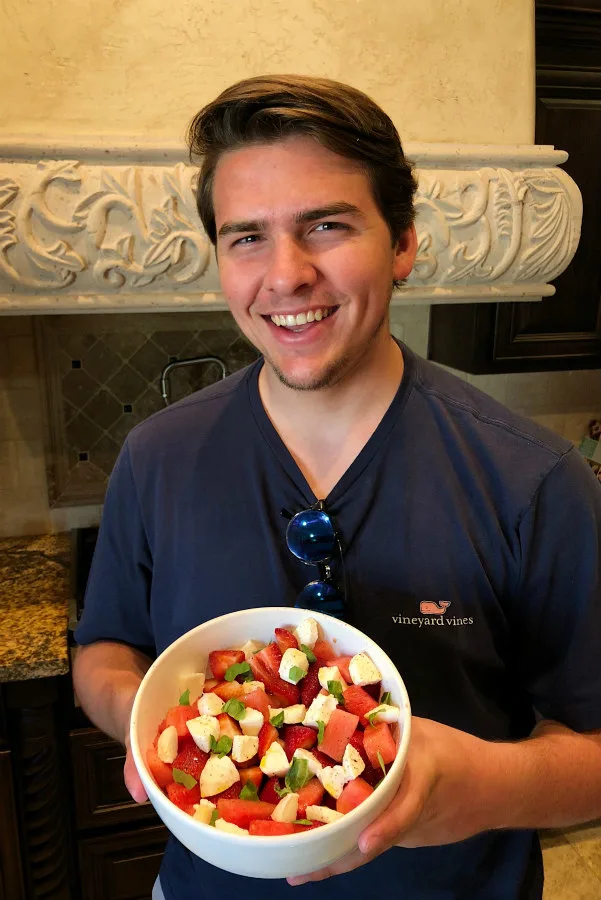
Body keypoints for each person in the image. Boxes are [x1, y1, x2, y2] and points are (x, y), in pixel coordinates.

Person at [73, 75, 601, 900]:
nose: (284, 276)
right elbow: (102, 651)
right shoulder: (156, 458)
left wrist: (482, 786)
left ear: (401, 244)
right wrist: (154, 727)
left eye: (325, 225)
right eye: (246, 236)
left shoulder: (532, 480)